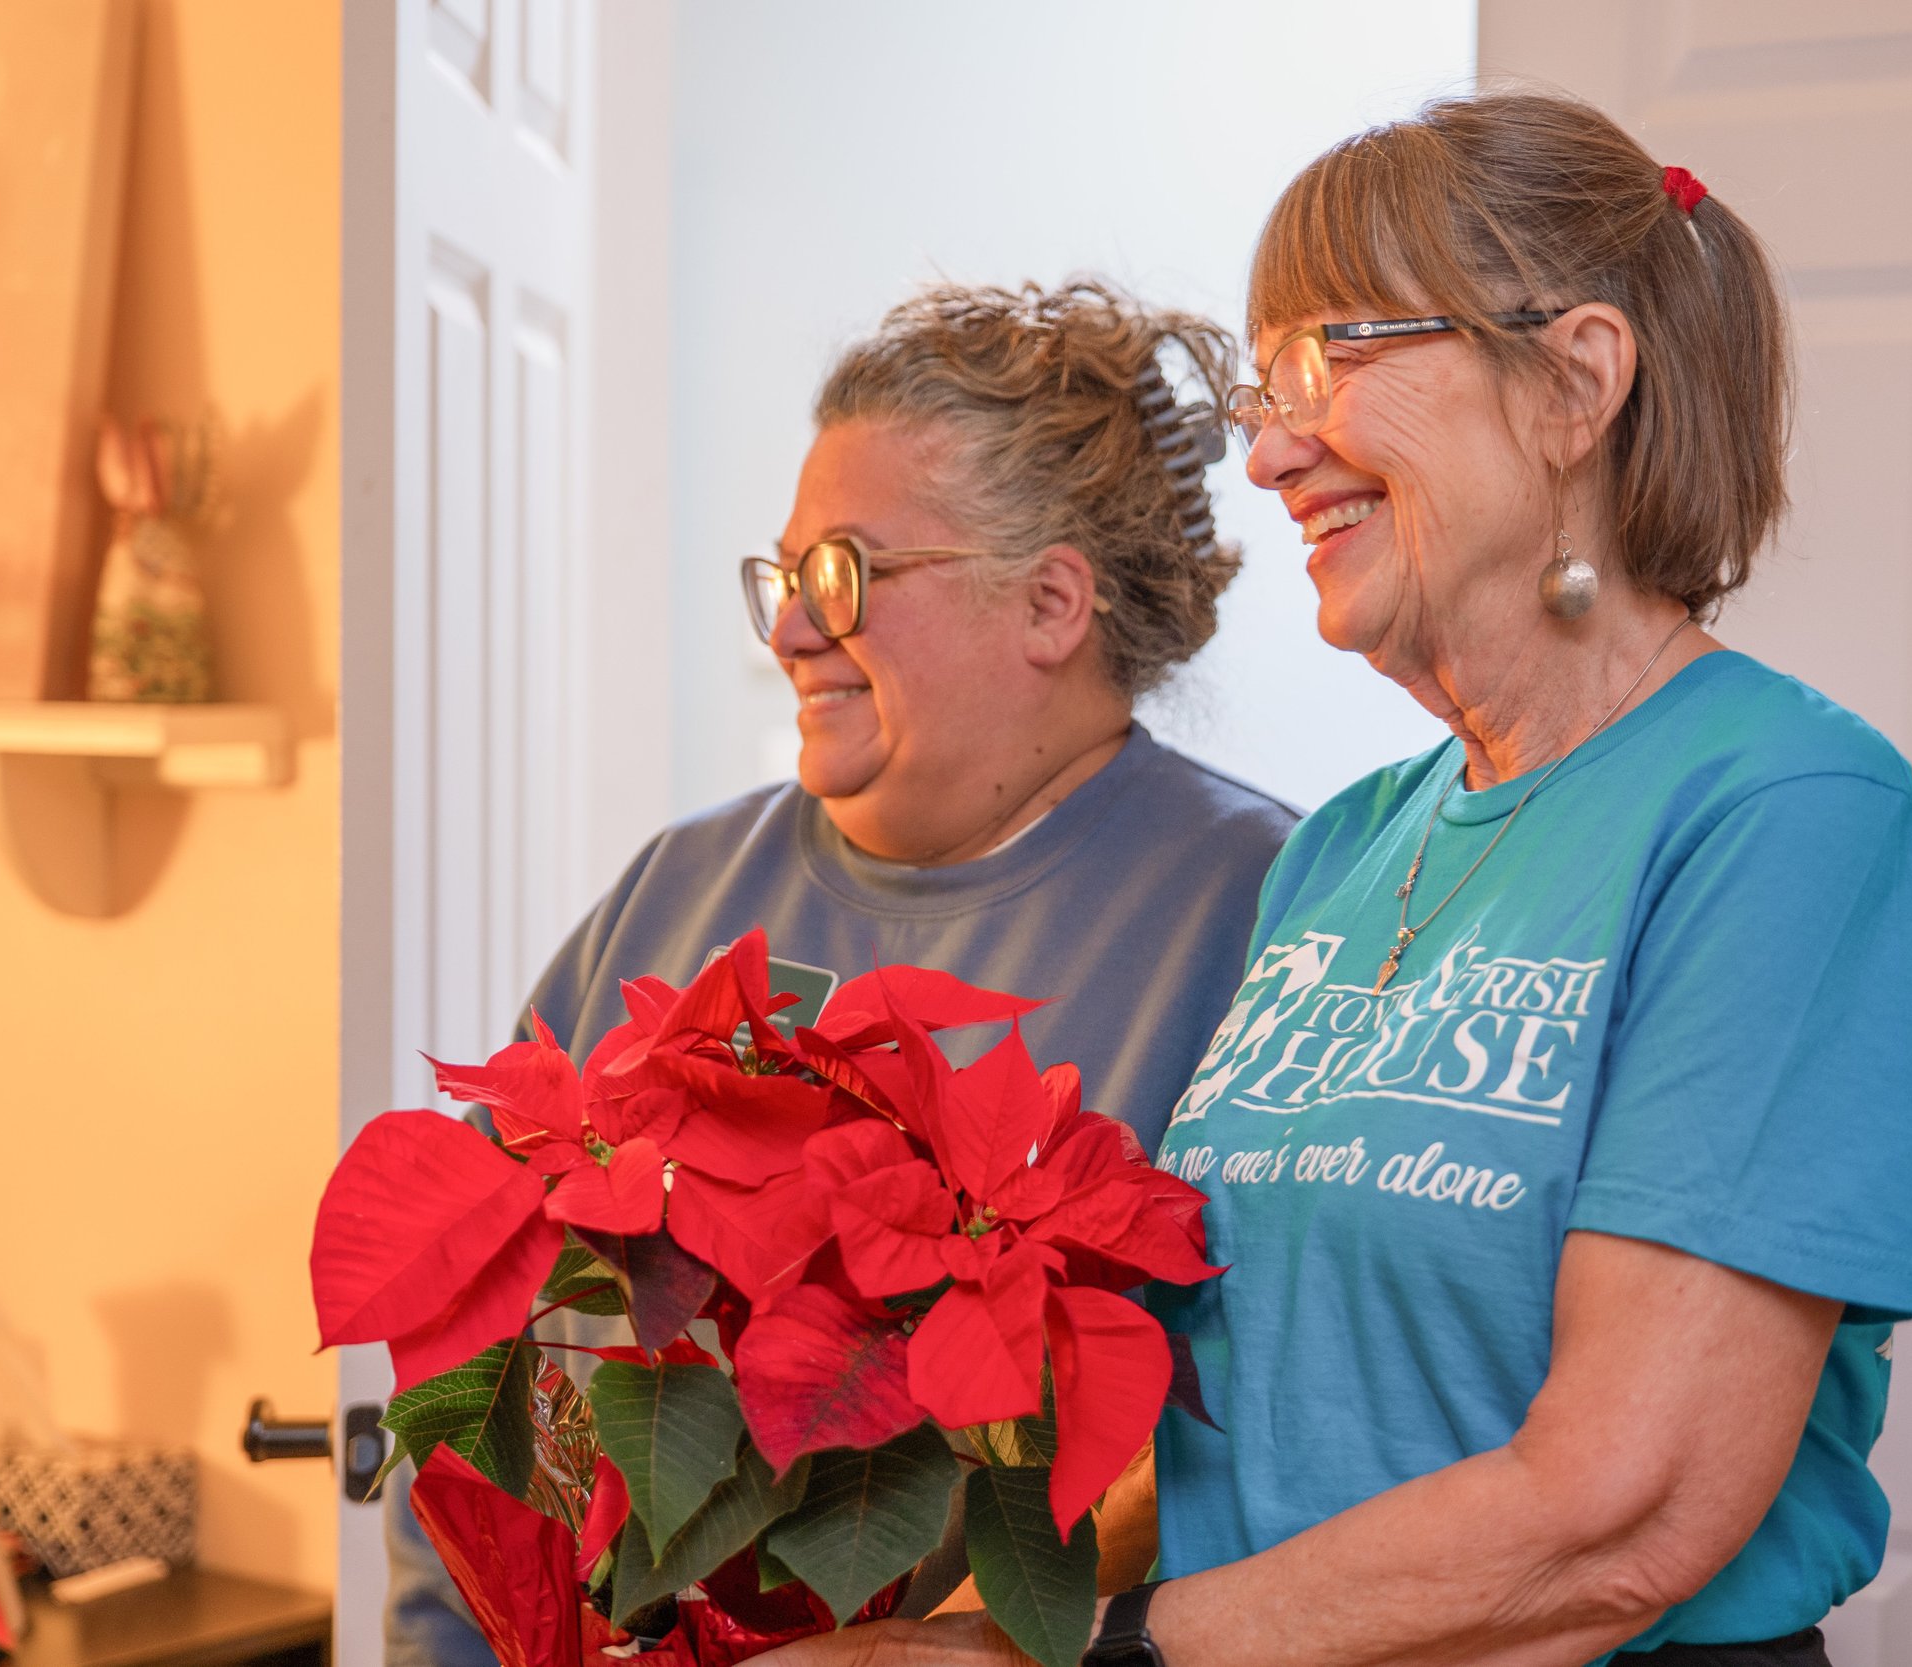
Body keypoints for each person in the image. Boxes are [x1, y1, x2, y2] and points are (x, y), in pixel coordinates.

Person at [773, 92, 1912, 1667]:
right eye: (1265, 385)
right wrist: (955, 1627)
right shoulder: (1343, 850)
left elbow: (1623, 1513)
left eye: (1328, 363)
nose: (1272, 449)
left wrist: (1075, 1659)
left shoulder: (1789, 817)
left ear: (1577, 382)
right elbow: (1236, 1440)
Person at [384, 279, 1299, 1667]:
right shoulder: (677, 889)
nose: (790, 632)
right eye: (787, 576)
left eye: (845, 577)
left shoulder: (1260, 911)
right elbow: (469, 1354)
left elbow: (1265, 1449)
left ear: (1051, 602)